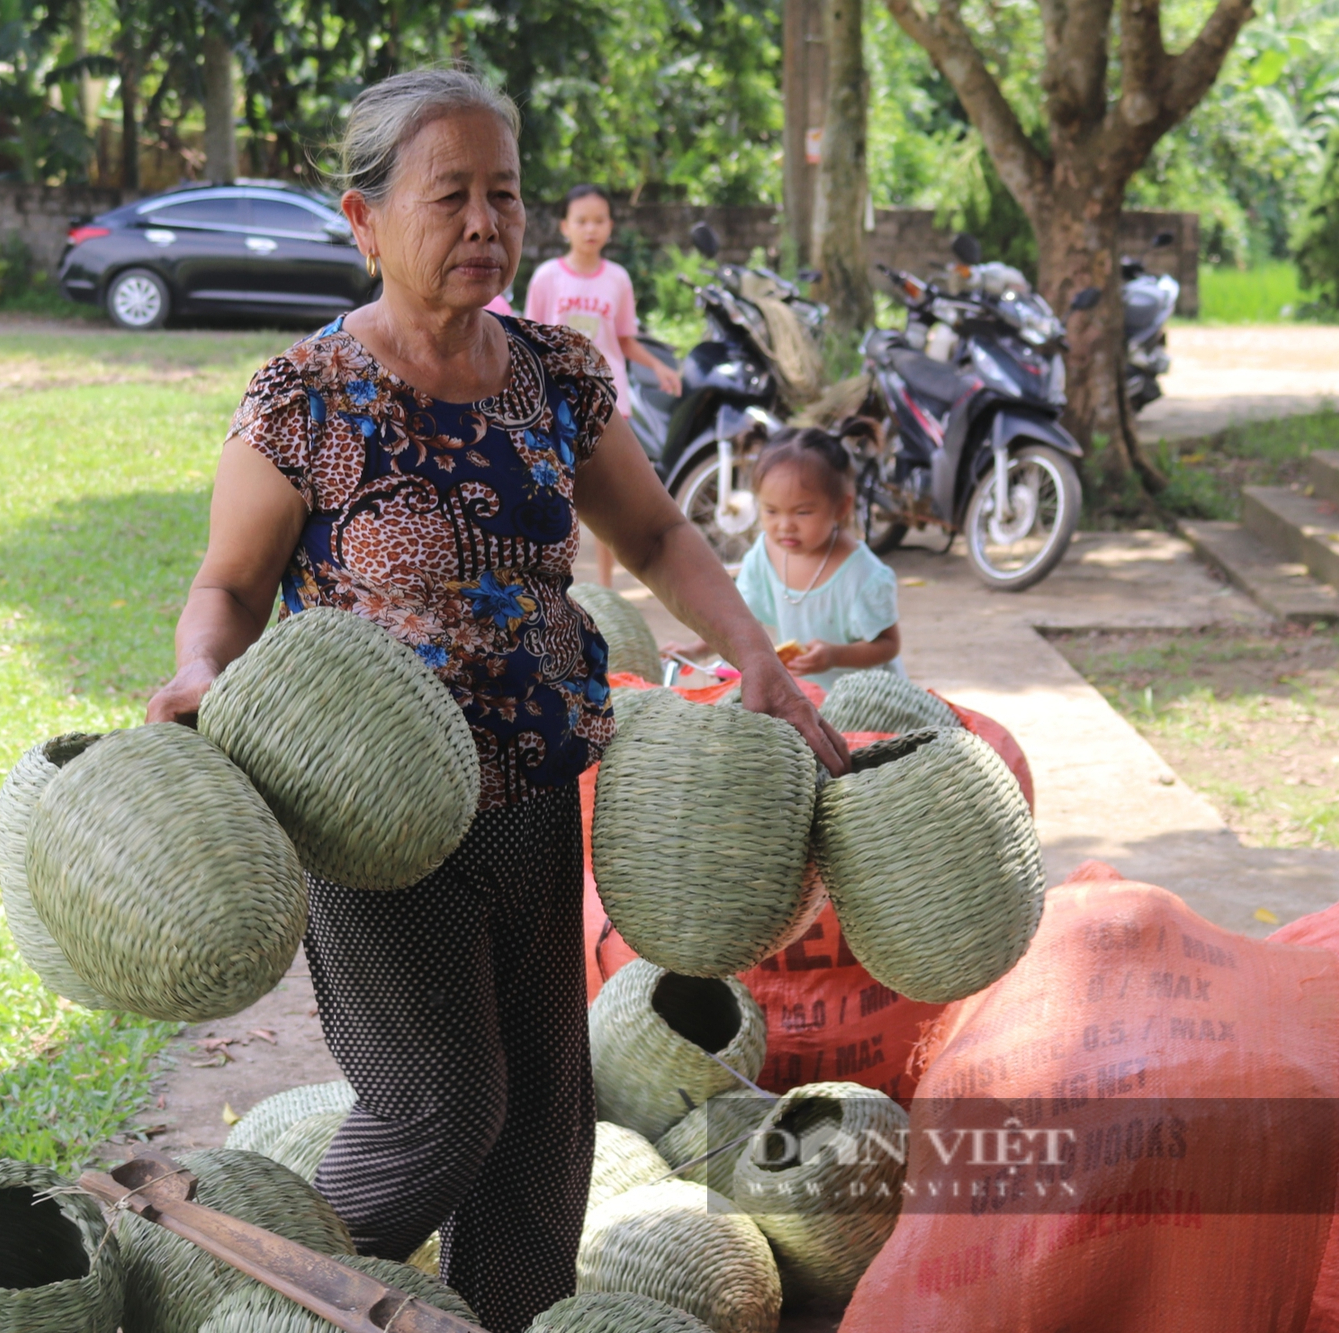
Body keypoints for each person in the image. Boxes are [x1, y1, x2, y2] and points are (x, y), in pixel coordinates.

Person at [143, 68, 849, 1333]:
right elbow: (228, 582)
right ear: (363, 221)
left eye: (504, 194)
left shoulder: (553, 374)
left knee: (539, 1134)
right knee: (438, 1108)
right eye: (449, 194)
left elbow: (652, 530)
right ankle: (230, 1288)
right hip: (369, 823)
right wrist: (202, 670)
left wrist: (753, 647)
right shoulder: (303, 397)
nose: (485, 222)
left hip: (528, 797)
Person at [663, 427, 903, 690]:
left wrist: (835, 656)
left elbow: (888, 645)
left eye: (802, 512)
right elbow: (740, 618)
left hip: (868, 703)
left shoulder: (863, 574)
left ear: (841, 507)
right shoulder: (765, 554)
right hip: (808, 700)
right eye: (771, 511)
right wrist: (695, 651)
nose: (785, 525)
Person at [525, 184, 682, 586]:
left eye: (598, 220)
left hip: (609, 402)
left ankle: (607, 589)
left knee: (609, 499)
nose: (590, 228)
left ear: (610, 227)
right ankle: (560, 587)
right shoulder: (546, 278)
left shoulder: (618, 279)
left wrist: (659, 367)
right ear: (565, 226)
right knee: (558, 495)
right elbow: (529, 341)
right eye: (581, 220)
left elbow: (625, 339)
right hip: (557, 403)